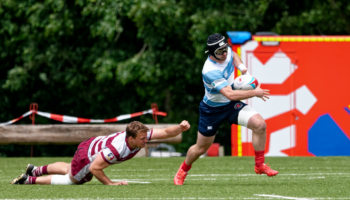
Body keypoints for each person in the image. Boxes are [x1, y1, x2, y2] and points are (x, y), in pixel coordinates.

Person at [173, 33, 278, 185]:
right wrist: (254, 92)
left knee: (260, 124)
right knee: (200, 148)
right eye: (220, 52)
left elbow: (233, 54)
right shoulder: (210, 71)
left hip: (229, 106)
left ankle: (259, 165)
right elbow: (229, 94)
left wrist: (242, 68)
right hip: (212, 110)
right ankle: (183, 170)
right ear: (211, 53)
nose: (224, 53)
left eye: (225, 49)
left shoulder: (225, 50)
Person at [11, 120, 190, 185]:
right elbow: (96, 168)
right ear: (131, 139)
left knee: (68, 168)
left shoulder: (137, 136)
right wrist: (110, 184)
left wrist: (180, 128)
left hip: (90, 145)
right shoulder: (118, 149)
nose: (146, 141)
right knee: (71, 180)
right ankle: (29, 180)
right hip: (87, 157)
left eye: (146, 137)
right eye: (142, 139)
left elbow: (165, 132)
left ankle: (35, 170)